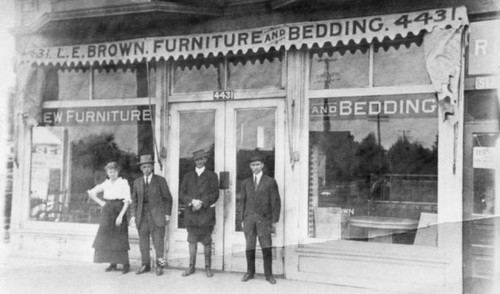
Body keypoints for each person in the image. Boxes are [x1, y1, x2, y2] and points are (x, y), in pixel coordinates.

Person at [240, 153, 281, 284]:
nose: (255, 167)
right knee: (249, 247)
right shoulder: (245, 183)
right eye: (253, 165)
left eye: (258, 164)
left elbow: (275, 202)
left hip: (264, 221)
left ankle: (268, 274)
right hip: (249, 220)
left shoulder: (270, 182)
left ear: (262, 165)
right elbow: (242, 202)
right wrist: (241, 219)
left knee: (266, 248)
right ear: (250, 167)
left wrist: (274, 220)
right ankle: (250, 272)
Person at [130, 155, 173, 276]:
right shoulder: (137, 182)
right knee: (143, 242)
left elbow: (168, 199)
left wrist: (167, 214)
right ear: (141, 168)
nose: (147, 169)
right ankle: (145, 265)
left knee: (158, 242)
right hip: (141, 216)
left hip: (157, 216)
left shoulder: (160, 180)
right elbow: (134, 200)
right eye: (144, 167)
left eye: (149, 166)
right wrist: (133, 216)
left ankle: (160, 266)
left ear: (152, 167)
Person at [180, 149, 219, 278]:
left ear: (205, 160)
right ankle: (191, 267)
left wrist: (202, 202)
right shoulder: (188, 176)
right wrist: (192, 201)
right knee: (192, 241)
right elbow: (182, 194)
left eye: (202, 159)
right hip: (191, 213)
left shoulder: (212, 176)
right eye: (197, 159)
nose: (199, 161)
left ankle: (208, 267)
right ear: (194, 161)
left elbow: (215, 194)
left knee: (207, 241)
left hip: (206, 213)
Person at [87, 162, 131, 274]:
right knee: (108, 237)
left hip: (119, 209)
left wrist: (120, 216)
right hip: (108, 210)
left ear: (118, 171)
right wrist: (101, 202)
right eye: (110, 171)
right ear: (107, 173)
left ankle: (126, 264)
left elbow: (127, 201)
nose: (112, 173)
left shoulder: (123, 182)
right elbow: (91, 192)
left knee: (120, 238)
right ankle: (113, 264)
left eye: (114, 171)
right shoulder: (105, 183)